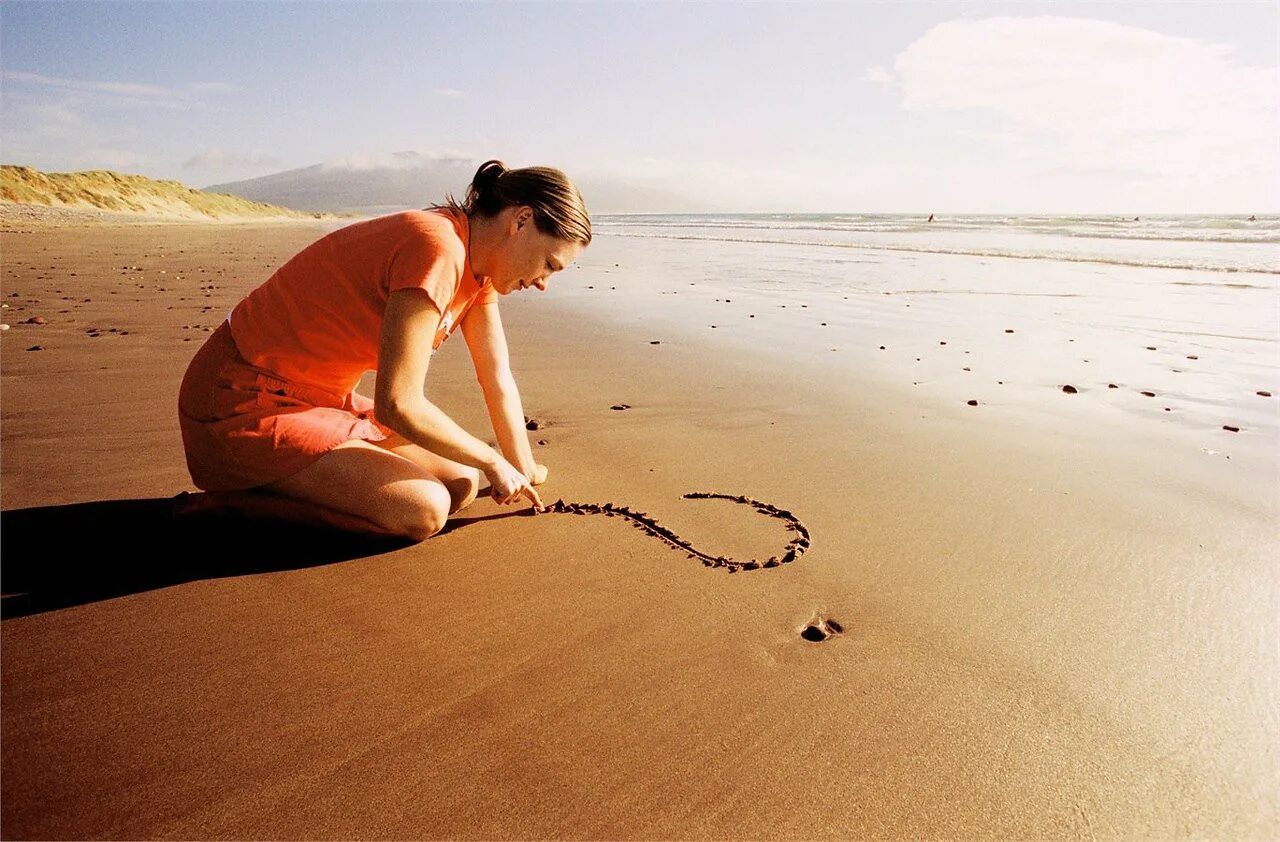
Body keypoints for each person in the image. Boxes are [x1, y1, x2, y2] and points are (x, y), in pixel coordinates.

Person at [174, 159, 591, 540]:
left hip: (319, 400)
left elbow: (496, 376)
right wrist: (492, 461)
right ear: (521, 221)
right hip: (239, 398)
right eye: (550, 264)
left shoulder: (478, 270)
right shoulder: (436, 248)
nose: (543, 283)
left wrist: (523, 467)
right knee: (424, 511)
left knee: (460, 483)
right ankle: (236, 502)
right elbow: (396, 404)